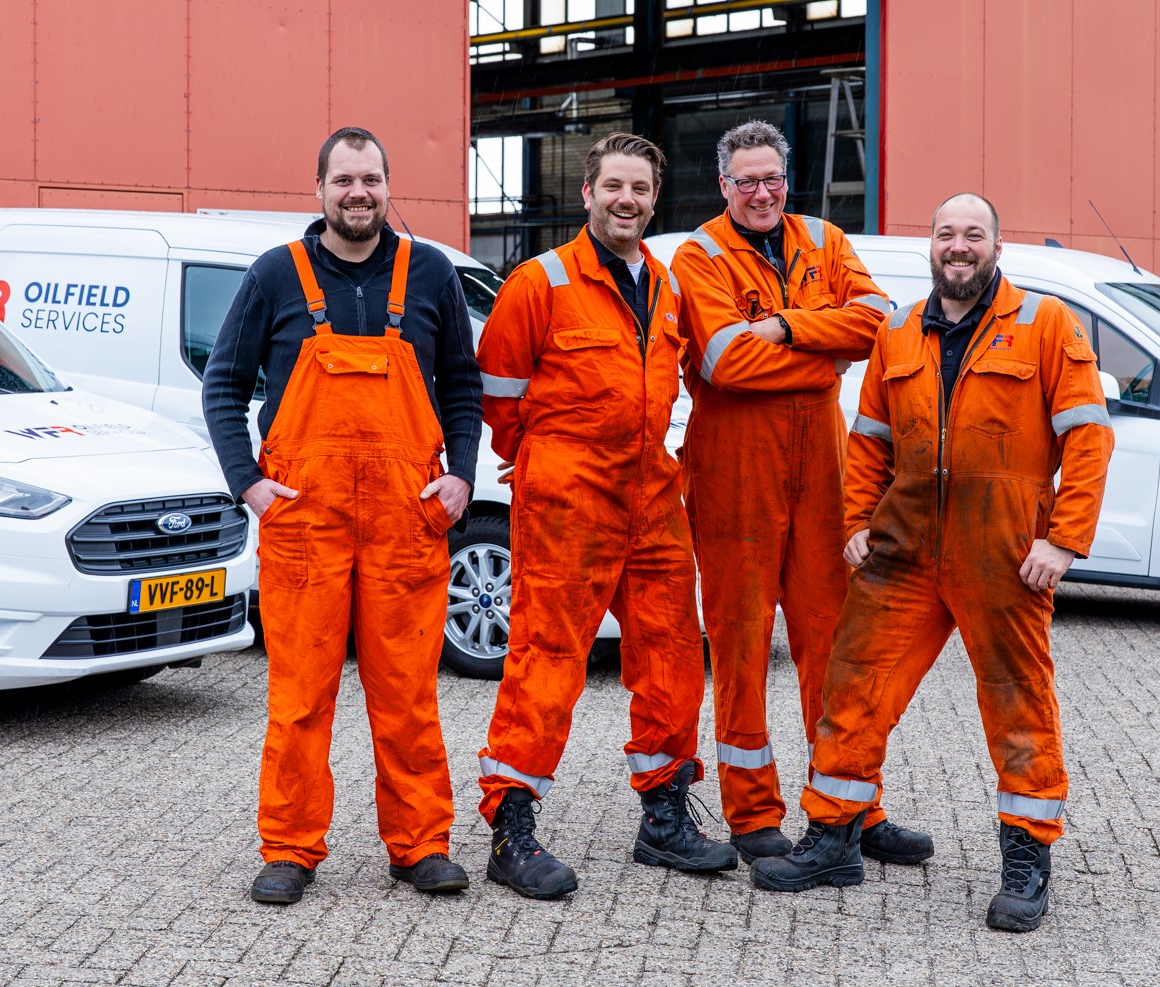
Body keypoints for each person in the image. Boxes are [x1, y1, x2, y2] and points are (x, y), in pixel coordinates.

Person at [751, 193, 1114, 933]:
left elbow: (1087, 436)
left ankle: (1026, 856)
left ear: (996, 248)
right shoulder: (898, 330)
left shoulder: (1045, 324)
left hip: (1004, 553)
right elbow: (870, 440)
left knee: (1017, 700)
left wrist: (1063, 540)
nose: (958, 246)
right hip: (905, 548)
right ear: (932, 246)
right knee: (853, 686)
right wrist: (857, 522)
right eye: (947, 233)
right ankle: (833, 835)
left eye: (973, 234)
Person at [202, 127, 483, 904]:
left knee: (409, 694)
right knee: (300, 696)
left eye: (371, 179)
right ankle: (290, 847)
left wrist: (461, 474)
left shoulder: (430, 273)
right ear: (319, 189)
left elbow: (462, 384)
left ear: (389, 187)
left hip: (405, 520)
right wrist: (248, 483)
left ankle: (421, 844)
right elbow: (222, 385)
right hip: (305, 521)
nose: (358, 193)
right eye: (344, 180)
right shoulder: (275, 274)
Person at [474, 132, 738, 900]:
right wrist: (539, 455)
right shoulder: (540, 282)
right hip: (569, 498)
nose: (628, 200)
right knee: (547, 657)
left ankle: (664, 816)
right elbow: (499, 393)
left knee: (673, 655)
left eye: (641, 189)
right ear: (587, 193)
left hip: (652, 494)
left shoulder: (666, 284)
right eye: (614, 186)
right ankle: (510, 825)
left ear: (655, 200)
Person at [670, 119, 931, 866]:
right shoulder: (698, 255)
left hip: (821, 469)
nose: (762, 192)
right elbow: (725, 362)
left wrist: (784, 328)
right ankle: (753, 812)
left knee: (836, 644)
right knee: (741, 644)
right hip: (734, 475)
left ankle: (849, 805)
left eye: (772, 178)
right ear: (724, 185)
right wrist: (824, 357)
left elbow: (878, 324)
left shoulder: (824, 238)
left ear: (788, 179)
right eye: (747, 180)